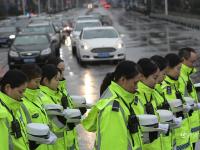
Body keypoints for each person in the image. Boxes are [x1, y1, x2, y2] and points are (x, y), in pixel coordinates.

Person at [82, 61, 142, 150]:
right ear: (123, 80)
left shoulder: (123, 99)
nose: (137, 87)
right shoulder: (113, 110)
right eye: (135, 83)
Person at [46, 56, 80, 150]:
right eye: (60, 70)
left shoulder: (62, 90)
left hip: (70, 140)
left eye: (63, 70)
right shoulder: (46, 95)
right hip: (60, 144)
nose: (62, 73)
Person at [161, 53, 192, 150]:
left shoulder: (174, 84)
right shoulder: (166, 87)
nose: (179, 72)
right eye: (178, 69)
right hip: (177, 135)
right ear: (168, 68)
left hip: (181, 133)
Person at [20, 64, 53, 150]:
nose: (39, 85)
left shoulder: (37, 98)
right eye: (36, 81)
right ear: (26, 82)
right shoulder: (21, 103)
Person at [133, 58, 163, 150]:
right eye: (155, 77)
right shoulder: (136, 97)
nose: (157, 81)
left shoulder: (154, 92)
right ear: (142, 76)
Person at [0, 70, 30, 150]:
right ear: (7, 88)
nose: (23, 95)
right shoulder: (1, 113)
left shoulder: (17, 105)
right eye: (20, 91)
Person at [39, 64, 68, 150]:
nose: (58, 82)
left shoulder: (54, 94)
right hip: (54, 146)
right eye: (56, 79)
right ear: (45, 81)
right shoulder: (44, 99)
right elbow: (59, 125)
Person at [178, 47, 200, 149]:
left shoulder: (186, 75)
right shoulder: (179, 77)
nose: (194, 65)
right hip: (185, 127)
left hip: (191, 126)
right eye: (192, 62)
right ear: (183, 60)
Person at [151, 55, 174, 150]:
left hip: (164, 143)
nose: (165, 78)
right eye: (164, 74)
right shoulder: (149, 92)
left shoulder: (157, 90)